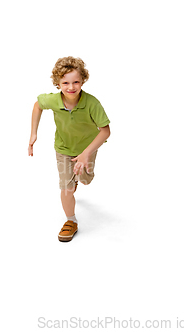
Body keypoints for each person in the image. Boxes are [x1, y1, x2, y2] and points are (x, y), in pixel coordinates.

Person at [28, 56, 110, 242]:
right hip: (64, 148)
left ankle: (81, 177)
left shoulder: (92, 103)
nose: (71, 87)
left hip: (87, 147)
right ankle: (71, 221)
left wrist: (85, 154)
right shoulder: (53, 100)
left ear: (83, 81)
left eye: (76, 82)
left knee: (85, 180)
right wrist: (34, 133)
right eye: (65, 82)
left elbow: (105, 131)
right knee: (66, 188)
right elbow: (37, 105)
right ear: (57, 83)